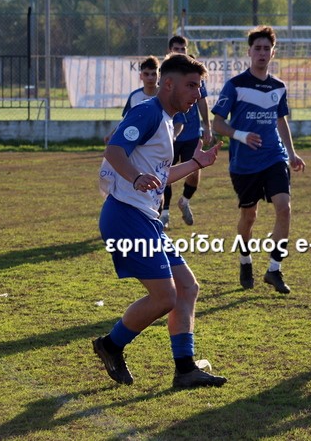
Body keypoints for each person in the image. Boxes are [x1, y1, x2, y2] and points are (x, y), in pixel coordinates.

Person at [93, 53, 228, 389]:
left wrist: (196, 163)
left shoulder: (167, 119)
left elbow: (160, 175)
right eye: (191, 85)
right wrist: (136, 177)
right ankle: (111, 345)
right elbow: (114, 150)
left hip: (145, 218)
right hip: (126, 215)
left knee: (187, 288)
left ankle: (185, 369)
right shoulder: (148, 112)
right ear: (168, 84)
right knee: (165, 296)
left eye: (199, 87)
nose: (197, 94)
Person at [212, 25, 306, 295]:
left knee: (284, 208)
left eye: (267, 48)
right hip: (244, 163)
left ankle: (274, 269)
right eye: (258, 48)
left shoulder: (279, 87)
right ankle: (245, 260)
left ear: (273, 53)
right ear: (249, 52)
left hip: (274, 156)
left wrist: (291, 153)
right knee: (249, 216)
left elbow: (281, 120)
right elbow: (217, 123)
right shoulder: (235, 85)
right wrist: (241, 135)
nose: (262, 53)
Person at [160, 35, 213, 229]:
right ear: (169, 50)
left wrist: (207, 126)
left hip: (191, 133)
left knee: (194, 170)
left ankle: (184, 201)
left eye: (183, 49)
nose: (180, 52)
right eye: (176, 49)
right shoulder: (165, 73)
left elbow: (202, 100)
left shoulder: (194, 72)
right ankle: (164, 213)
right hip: (169, 133)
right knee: (164, 172)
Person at [99, 56, 161, 197]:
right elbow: (127, 120)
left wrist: (173, 136)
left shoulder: (163, 96)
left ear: (159, 75)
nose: (150, 78)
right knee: (140, 178)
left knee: (161, 179)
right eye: (146, 74)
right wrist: (112, 133)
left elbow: (176, 121)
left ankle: (163, 207)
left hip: (158, 145)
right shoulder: (135, 96)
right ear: (141, 76)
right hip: (138, 146)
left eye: (153, 74)